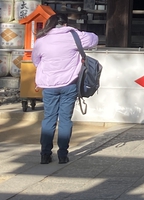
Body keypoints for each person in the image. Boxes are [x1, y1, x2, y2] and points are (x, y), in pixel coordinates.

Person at [31, 13, 98, 164]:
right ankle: (62, 154)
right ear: (66, 24)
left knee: (49, 118)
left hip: (48, 85)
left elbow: (36, 60)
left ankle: (45, 154)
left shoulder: (41, 40)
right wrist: (74, 31)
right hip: (69, 84)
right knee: (65, 120)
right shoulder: (73, 37)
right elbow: (94, 39)